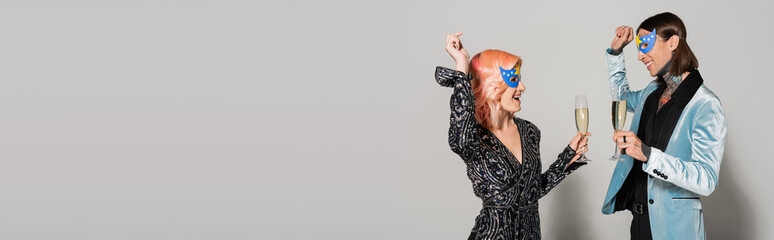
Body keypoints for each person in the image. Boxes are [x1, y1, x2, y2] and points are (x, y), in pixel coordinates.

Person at [435, 32, 590, 240]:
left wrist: (567, 158)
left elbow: (532, 192)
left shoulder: (530, 132)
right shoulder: (473, 136)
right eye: (514, 79)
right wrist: (462, 65)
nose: (522, 87)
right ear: (493, 84)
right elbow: (460, 139)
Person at [600, 12, 727, 240]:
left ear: (673, 42)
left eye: (646, 45)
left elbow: (707, 179)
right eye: (638, 47)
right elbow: (621, 98)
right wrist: (617, 53)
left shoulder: (705, 104)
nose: (640, 55)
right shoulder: (652, 92)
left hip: (676, 229)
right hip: (639, 222)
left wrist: (649, 155)